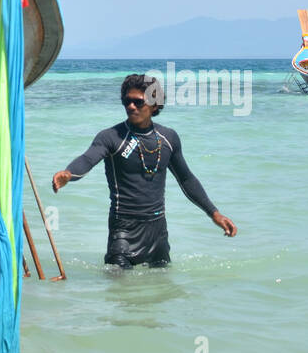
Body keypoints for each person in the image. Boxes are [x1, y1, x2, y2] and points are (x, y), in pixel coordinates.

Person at [52, 73, 237, 268]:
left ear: (155, 104)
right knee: (121, 291)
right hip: (123, 229)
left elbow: (186, 179)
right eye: (127, 101)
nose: (131, 106)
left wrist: (214, 214)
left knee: (160, 291)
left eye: (138, 102)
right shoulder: (111, 137)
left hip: (158, 231)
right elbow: (88, 159)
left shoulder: (168, 138)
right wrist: (68, 174)